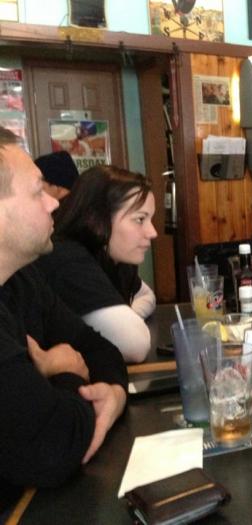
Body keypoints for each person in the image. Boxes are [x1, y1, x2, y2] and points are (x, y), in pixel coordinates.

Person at [0, 128, 127, 496]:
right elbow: (54, 446)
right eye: (37, 191)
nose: (54, 203)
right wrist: (66, 369)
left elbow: (99, 348)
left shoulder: (24, 279)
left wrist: (114, 395)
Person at [36, 165, 157, 363]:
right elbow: (134, 344)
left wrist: (129, 316)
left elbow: (146, 295)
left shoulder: (115, 257)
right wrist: (126, 323)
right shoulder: (68, 260)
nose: (152, 232)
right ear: (97, 220)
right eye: (140, 219)